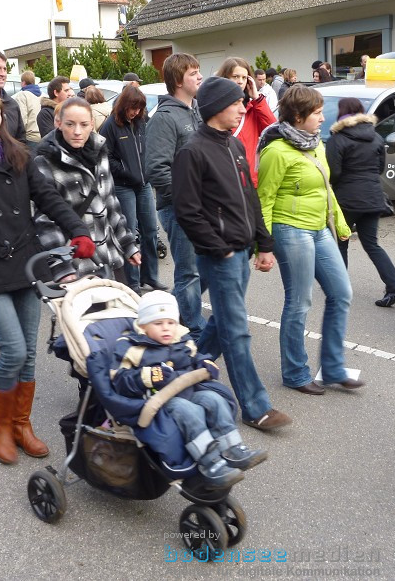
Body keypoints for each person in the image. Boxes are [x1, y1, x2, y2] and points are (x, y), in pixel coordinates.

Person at [0, 89, 94, 465]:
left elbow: (49, 198)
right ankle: (1, 427)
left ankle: (22, 425)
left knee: (27, 356)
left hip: (26, 263)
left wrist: (78, 230)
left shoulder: (21, 155)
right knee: (13, 350)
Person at [172, 76, 292, 431]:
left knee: (222, 322)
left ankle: (186, 371)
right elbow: (187, 211)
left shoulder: (235, 145)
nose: (243, 108)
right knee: (236, 329)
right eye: (237, 102)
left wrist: (263, 243)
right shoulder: (192, 151)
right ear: (216, 108)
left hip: (240, 253)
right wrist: (219, 248)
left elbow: (249, 198)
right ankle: (255, 407)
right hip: (221, 256)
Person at [257, 85, 361, 396]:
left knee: (342, 293)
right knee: (299, 302)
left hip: (319, 229)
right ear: (298, 116)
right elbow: (263, 199)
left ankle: (332, 368)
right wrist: (263, 246)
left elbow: (327, 189)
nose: (322, 117)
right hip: (290, 230)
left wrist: (341, 225)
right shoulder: (276, 151)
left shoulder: (316, 145)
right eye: (316, 113)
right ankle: (295, 372)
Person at [110, 291, 267, 488]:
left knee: (214, 399)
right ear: (143, 326)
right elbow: (119, 379)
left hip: (188, 389)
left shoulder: (181, 339)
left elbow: (195, 356)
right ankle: (209, 462)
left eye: (170, 322)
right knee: (188, 410)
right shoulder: (133, 348)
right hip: (159, 399)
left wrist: (205, 363)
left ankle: (233, 449)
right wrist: (150, 375)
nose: (166, 329)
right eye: (158, 324)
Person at [34, 97, 141, 283]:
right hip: (75, 262)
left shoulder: (100, 153)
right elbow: (45, 220)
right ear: (58, 123)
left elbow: (111, 204)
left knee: (122, 309)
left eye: (84, 124)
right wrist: (61, 266)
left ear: (92, 124)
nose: (77, 131)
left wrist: (128, 244)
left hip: (109, 259)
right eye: (70, 124)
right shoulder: (45, 162)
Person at [144, 53, 206, 339]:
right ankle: (190, 328)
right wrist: (187, 201)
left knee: (202, 268)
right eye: (194, 73)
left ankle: (175, 314)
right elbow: (157, 169)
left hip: (201, 206)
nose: (200, 76)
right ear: (178, 80)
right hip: (179, 209)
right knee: (189, 272)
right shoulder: (164, 119)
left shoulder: (195, 112)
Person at [327, 97, 395, 307]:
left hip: (347, 200)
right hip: (373, 198)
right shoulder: (376, 137)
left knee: (340, 242)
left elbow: (333, 172)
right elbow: (380, 168)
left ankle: (338, 287)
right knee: (372, 244)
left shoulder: (338, 138)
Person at [101, 85, 165, 294]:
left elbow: (148, 149)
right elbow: (106, 157)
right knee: (129, 234)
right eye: (133, 108)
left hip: (144, 185)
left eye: (139, 108)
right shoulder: (110, 125)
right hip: (123, 186)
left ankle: (151, 277)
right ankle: (133, 282)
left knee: (150, 232)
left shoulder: (141, 123)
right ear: (124, 105)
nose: (136, 112)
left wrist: (146, 173)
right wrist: (127, 172)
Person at [215, 57, 276, 185]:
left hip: (250, 179)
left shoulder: (253, 107)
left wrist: (257, 98)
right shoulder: (216, 107)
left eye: (244, 78)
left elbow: (272, 129)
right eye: (235, 76)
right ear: (225, 78)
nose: (240, 81)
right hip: (225, 178)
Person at [12, 70, 42, 148]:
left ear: (23, 82)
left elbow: (22, 119)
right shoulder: (42, 95)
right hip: (42, 136)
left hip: (30, 138)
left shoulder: (22, 95)